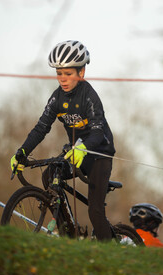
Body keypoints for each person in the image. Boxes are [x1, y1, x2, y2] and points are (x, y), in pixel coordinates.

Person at [10, 40, 116, 241]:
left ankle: (110, 255)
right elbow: (41, 127)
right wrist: (22, 151)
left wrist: (83, 147)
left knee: (95, 211)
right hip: (76, 152)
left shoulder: (89, 96)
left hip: (99, 155)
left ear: (81, 73)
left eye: (68, 74)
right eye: (59, 73)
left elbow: (98, 131)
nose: (63, 79)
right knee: (49, 176)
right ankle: (67, 231)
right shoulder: (56, 98)